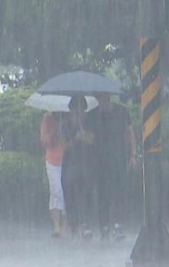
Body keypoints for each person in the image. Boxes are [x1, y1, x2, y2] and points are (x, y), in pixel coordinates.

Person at [84, 92, 138, 240]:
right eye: (100, 98)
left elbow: (130, 133)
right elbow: (88, 139)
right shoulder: (92, 115)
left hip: (119, 160)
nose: (103, 101)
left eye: (105, 97)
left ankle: (118, 225)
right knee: (103, 195)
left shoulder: (122, 112)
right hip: (99, 162)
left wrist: (133, 155)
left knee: (120, 193)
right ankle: (104, 226)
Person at [61, 95, 96, 240]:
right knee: (69, 195)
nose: (79, 113)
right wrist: (75, 138)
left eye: (81, 110)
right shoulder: (64, 125)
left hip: (85, 163)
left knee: (85, 194)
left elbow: (93, 140)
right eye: (76, 110)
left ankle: (85, 224)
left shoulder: (89, 122)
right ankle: (73, 224)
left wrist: (84, 135)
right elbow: (63, 145)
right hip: (69, 164)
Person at [40, 111, 69, 238]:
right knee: (56, 191)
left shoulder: (70, 117)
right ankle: (57, 224)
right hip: (53, 160)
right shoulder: (48, 118)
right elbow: (44, 141)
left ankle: (65, 224)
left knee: (66, 191)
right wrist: (54, 131)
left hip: (68, 160)